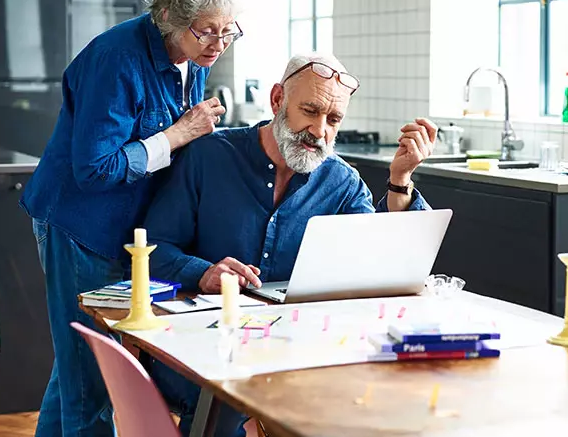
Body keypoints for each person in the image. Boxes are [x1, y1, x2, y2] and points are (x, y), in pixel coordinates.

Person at [143, 52, 437, 436]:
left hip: (300, 352)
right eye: (310, 111)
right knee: (225, 411)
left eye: (333, 120)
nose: (319, 131)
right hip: (208, 350)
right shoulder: (208, 156)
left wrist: (400, 180)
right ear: (278, 99)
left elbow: (385, 264)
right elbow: (152, 250)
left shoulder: (341, 182)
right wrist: (204, 273)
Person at [19, 0, 241, 437]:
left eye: (228, 31)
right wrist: (180, 134)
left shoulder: (191, 56)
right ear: (168, 18)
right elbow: (95, 169)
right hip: (81, 228)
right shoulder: (116, 59)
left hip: (123, 229)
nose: (219, 45)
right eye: (206, 32)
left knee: (77, 368)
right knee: (91, 379)